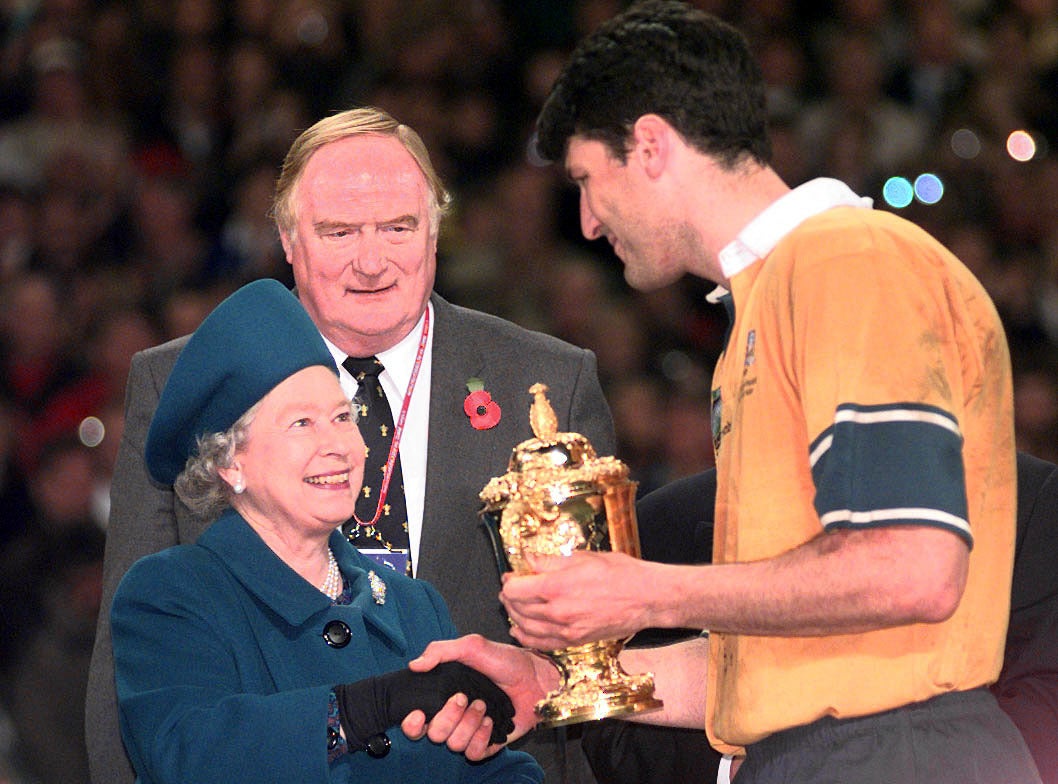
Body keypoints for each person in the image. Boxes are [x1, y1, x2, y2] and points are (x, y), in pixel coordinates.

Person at [410, 2, 1043, 782]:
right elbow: (774, 665)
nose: (585, 222)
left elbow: (912, 566)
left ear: (649, 146)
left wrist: (648, 594)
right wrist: (559, 685)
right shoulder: (769, 301)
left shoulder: (847, 262)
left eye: (585, 179)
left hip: (894, 753)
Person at [87, 107, 614, 784]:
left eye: (399, 227)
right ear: (286, 237)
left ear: (436, 229)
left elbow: (600, 645)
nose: (372, 262)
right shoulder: (175, 386)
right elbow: (127, 685)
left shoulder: (547, 384)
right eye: (339, 231)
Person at [109, 278, 541, 783]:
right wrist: (355, 711)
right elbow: (190, 754)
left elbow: (490, 772)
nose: (337, 444)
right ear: (230, 464)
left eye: (342, 417)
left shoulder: (413, 606)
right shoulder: (174, 592)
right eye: (301, 424)